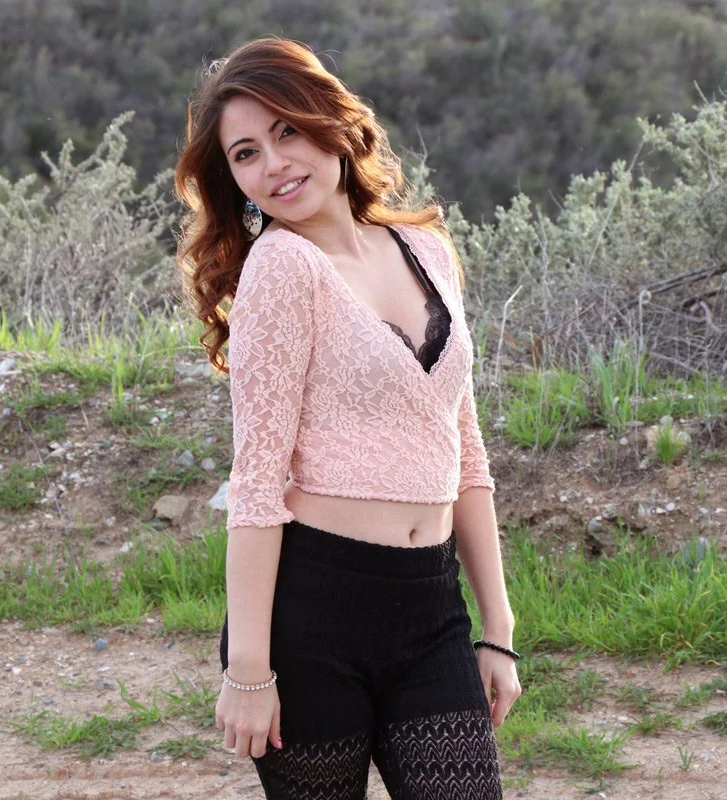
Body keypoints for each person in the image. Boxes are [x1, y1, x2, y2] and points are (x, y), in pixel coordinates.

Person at [174, 37, 521, 799]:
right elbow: (257, 485)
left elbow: (465, 453)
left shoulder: (425, 249)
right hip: (313, 620)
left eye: (287, 131)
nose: (275, 164)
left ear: (328, 119)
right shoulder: (281, 269)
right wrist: (248, 672)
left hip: (431, 611)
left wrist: (497, 628)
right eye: (246, 154)